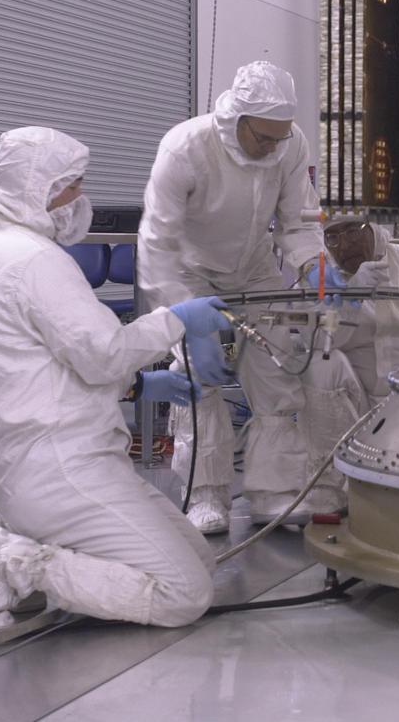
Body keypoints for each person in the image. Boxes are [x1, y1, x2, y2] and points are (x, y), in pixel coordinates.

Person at [0, 126, 232, 632]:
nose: (81, 199)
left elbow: (34, 362)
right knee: (183, 593)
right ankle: (8, 558)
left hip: (38, 462)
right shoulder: (35, 259)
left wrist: (142, 387)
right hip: (66, 470)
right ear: (35, 188)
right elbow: (103, 355)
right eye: (71, 185)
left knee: (200, 560)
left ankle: (28, 549)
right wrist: (178, 319)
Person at [137, 61, 339, 534]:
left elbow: (296, 223)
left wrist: (319, 267)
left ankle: (274, 490)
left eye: (280, 137)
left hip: (254, 268)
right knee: (198, 382)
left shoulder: (289, 146)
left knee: (279, 373)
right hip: (192, 273)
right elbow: (156, 243)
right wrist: (185, 317)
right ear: (237, 121)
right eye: (264, 138)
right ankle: (206, 495)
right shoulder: (186, 146)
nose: (272, 147)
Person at [297, 219, 399, 509]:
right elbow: (324, 341)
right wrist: (350, 298)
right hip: (357, 403)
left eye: (351, 232)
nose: (344, 245)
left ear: (373, 226)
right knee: (319, 364)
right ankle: (327, 486)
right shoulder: (323, 277)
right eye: (332, 237)